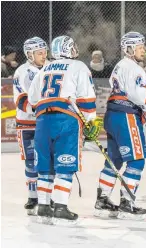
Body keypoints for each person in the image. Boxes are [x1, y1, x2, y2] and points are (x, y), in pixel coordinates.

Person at [94, 31, 146, 219]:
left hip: (114, 115)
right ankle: (126, 204)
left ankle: (102, 200)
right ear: (129, 49)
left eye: (144, 47)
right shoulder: (132, 67)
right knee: (136, 160)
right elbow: (139, 96)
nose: (144, 51)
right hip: (126, 116)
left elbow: (144, 100)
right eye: (139, 47)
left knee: (115, 160)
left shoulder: (122, 66)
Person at [28, 35, 101, 224]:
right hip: (65, 119)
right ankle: (60, 206)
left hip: (43, 120)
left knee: (45, 166)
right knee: (64, 164)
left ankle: (43, 206)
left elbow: (32, 100)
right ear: (68, 49)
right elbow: (86, 98)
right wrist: (90, 123)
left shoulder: (43, 69)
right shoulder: (78, 67)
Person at [12, 37, 48, 215]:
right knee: (31, 160)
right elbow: (22, 101)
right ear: (29, 54)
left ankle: (47, 197)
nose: (43, 55)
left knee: (48, 159)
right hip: (27, 123)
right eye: (39, 53)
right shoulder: (23, 72)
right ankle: (33, 196)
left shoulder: (50, 68)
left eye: (44, 52)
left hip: (46, 122)